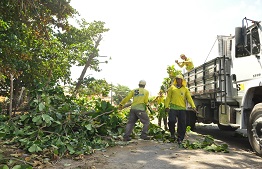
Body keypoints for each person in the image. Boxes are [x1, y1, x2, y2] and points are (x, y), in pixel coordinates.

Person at [164, 74, 196, 144]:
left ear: (182, 80)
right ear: (176, 80)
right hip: (173, 108)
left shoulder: (185, 89)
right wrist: (166, 106)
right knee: (171, 121)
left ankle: (180, 138)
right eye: (177, 79)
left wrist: (193, 106)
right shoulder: (172, 88)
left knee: (182, 124)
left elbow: (189, 98)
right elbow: (168, 98)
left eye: (180, 79)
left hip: (182, 109)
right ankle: (172, 133)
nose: (178, 80)